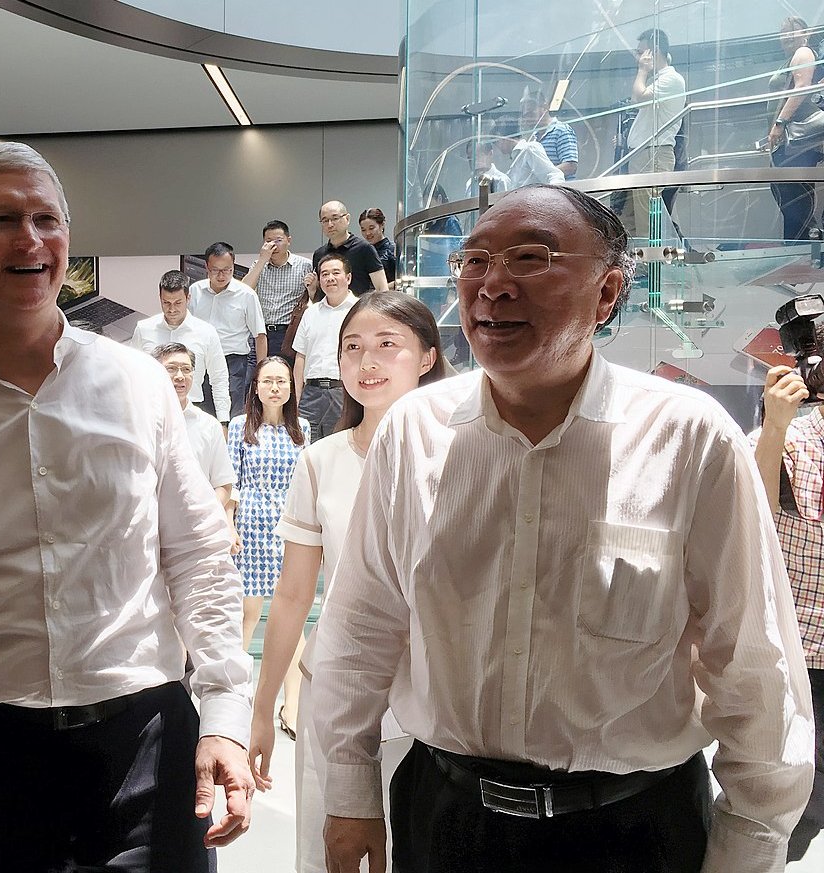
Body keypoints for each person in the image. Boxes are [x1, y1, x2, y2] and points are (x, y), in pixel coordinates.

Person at [313, 184, 814, 873]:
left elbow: (751, 662)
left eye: (530, 258)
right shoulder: (413, 434)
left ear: (606, 293)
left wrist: (750, 843)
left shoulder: (689, 439)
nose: (492, 286)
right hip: (449, 820)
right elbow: (361, 627)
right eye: (475, 261)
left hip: (636, 832)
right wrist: (349, 793)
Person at [0, 142, 255, 873]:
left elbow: (196, 554)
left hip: (145, 745)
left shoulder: (138, 386)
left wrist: (223, 713)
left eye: (46, 219)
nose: (30, 239)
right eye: (2, 219)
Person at [250, 292, 447, 873]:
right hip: (335, 686)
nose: (368, 362)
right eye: (352, 348)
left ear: (428, 358)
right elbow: (292, 595)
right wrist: (262, 708)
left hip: (434, 692)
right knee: (328, 854)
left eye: (389, 346)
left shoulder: (465, 454)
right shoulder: (322, 460)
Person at [751, 361, 824, 861]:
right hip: (804, 653)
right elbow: (751, 510)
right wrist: (775, 424)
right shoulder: (796, 438)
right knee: (796, 799)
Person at [227, 356, 309, 657]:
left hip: (289, 526)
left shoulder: (301, 428)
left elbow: (304, 485)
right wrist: (228, 525)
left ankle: (294, 702)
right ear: (257, 387)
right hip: (250, 524)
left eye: (281, 381)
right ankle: (232, 690)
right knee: (248, 613)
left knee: (291, 617)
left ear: (290, 387)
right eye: (267, 381)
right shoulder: (240, 426)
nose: (275, 388)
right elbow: (231, 482)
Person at [151, 341, 238, 521]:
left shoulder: (209, 426)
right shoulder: (140, 420)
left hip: (196, 529)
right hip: (149, 525)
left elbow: (223, 484)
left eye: (186, 369)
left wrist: (203, 514)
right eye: (171, 369)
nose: (180, 376)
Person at [132, 269, 232, 423]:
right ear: (160, 298)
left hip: (193, 410)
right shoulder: (144, 329)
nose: (172, 309)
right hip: (153, 411)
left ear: (188, 298)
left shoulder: (206, 332)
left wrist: (223, 421)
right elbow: (134, 374)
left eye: (178, 303)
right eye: (166, 303)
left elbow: (219, 378)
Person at [188, 241, 268, 413]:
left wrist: (261, 372)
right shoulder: (195, 291)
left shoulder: (246, 294)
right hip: (200, 360)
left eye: (227, 270)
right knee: (201, 410)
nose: (222, 275)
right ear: (206, 267)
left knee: (231, 412)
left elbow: (260, 336)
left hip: (233, 362)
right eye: (216, 270)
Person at [622, 28, 687, 238]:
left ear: (654, 51)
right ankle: (636, 264)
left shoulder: (671, 79)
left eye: (642, 52)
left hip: (653, 155)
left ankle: (649, 268)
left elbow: (638, 98)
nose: (639, 56)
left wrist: (642, 70)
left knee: (646, 218)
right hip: (645, 155)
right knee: (632, 217)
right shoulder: (661, 79)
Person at [766, 16, 822, 241]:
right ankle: (802, 245)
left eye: (792, 30)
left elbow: (801, 88)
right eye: (783, 30)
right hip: (790, 137)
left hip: (797, 135)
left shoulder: (803, 53)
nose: (786, 35)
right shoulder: (791, 58)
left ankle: (801, 247)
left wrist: (780, 124)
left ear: (805, 33)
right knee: (789, 194)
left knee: (791, 194)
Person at [292, 252, 358, 439]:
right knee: (306, 450)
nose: (330, 278)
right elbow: (300, 357)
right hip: (310, 394)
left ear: (348, 277)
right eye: (324, 274)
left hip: (344, 392)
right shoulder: (310, 313)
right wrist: (296, 399)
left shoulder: (360, 310)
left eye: (335, 273)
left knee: (340, 449)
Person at [245, 220, 314, 359]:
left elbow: (314, 298)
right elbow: (243, 291)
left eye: (278, 240)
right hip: (260, 332)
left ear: (288, 240)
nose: (273, 245)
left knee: (286, 375)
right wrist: (262, 260)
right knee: (258, 376)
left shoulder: (305, 265)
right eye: (268, 241)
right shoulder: (258, 265)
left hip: (289, 332)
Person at [313, 200, 387, 295]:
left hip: (359, 308)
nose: (330, 224)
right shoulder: (319, 254)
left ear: (347, 219)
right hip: (327, 308)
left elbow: (382, 289)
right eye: (325, 220)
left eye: (335, 218)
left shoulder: (364, 248)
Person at [520, 95, 578, 179]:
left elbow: (570, 166)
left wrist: (541, 176)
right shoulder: (533, 138)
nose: (528, 118)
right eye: (525, 116)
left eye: (531, 113)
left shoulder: (561, 130)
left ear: (545, 107)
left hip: (561, 189)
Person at [358, 208, 398, 287]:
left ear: (382, 225)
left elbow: (399, 281)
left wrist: (382, 289)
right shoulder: (361, 252)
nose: (367, 233)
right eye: (363, 230)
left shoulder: (393, 250)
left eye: (371, 228)